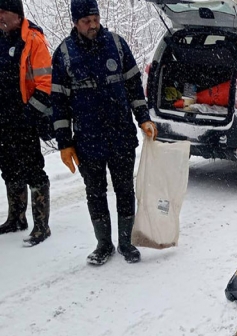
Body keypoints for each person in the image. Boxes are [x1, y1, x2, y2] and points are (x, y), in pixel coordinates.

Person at [50, 0, 157, 265]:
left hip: (120, 134)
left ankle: (126, 242)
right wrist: (64, 143)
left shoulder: (117, 45)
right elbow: (59, 103)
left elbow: (134, 86)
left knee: (124, 190)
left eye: (95, 19)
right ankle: (103, 244)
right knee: (95, 193)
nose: (93, 25)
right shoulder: (64, 54)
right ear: (75, 23)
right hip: (88, 140)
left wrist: (143, 118)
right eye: (86, 21)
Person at [0, 0, 52, 247]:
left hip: (26, 119)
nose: (0, 17)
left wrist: (29, 116)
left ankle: (41, 225)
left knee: (33, 169)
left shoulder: (33, 40)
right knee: (9, 168)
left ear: (18, 15)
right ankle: (16, 218)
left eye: (3, 12)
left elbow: (45, 84)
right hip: (3, 120)